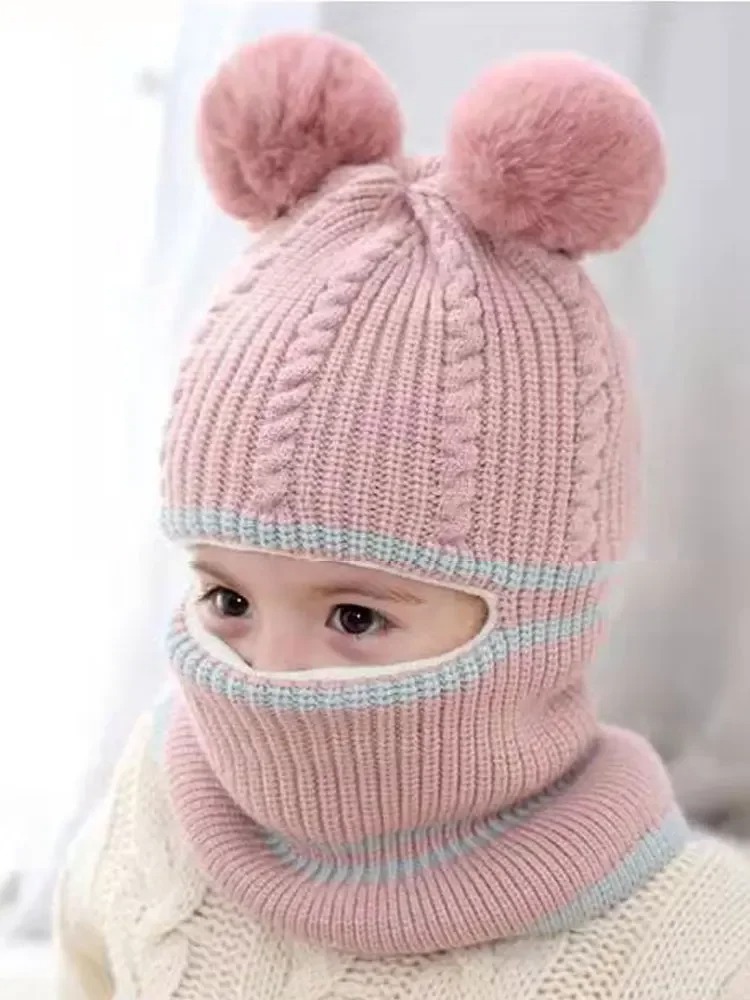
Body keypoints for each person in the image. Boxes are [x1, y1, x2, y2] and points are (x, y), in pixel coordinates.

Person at [54, 31, 750, 999]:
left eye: (355, 615)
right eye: (227, 599)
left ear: (543, 614)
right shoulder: (157, 808)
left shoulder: (695, 945)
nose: (268, 672)